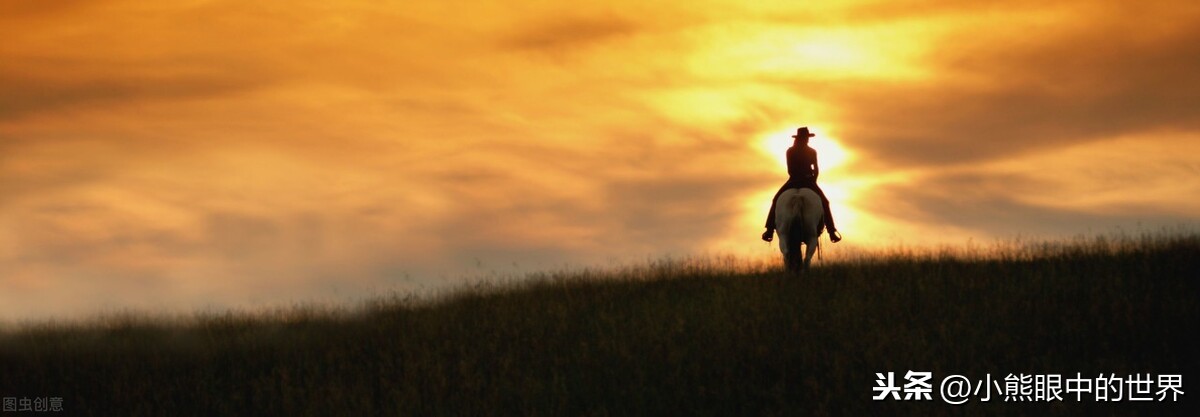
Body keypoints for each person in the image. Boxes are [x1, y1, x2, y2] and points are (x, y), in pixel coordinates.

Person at [761, 126, 842, 243]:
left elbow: (789, 169)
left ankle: (769, 230)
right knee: (825, 202)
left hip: (792, 180)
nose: (807, 140)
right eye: (806, 138)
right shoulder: (812, 151)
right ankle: (831, 232)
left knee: (776, 200)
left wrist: (799, 176)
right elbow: (816, 169)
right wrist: (813, 180)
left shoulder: (790, 151)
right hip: (808, 180)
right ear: (804, 138)